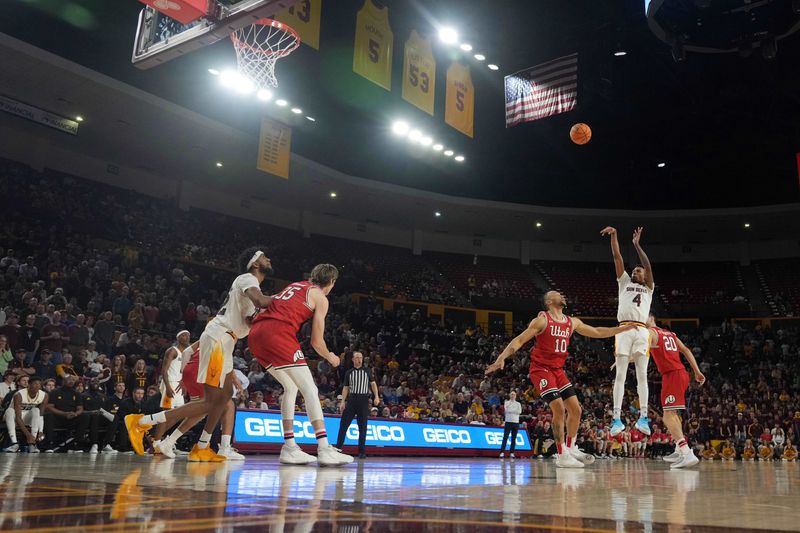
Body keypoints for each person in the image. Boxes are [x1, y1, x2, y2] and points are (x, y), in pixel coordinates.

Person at [126, 247, 275, 462]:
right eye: (264, 256)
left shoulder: (251, 288)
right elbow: (262, 301)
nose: (268, 258)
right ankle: (141, 422)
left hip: (227, 341)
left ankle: (201, 446)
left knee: (224, 399)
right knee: (209, 402)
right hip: (219, 337)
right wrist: (285, 299)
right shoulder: (247, 279)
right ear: (254, 263)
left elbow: (252, 318)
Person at [485, 290, 635, 468]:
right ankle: (562, 453)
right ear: (549, 302)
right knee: (558, 407)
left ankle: (571, 448)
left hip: (558, 370)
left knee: (576, 410)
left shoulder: (572, 322)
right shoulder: (542, 320)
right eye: (557, 294)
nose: (562, 295)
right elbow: (519, 340)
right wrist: (501, 358)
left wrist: (622, 329)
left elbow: (596, 331)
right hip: (541, 370)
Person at [248, 264, 353, 466]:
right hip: (277, 334)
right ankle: (324, 448)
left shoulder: (295, 285)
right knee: (310, 390)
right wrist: (331, 357)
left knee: (291, 387)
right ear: (331, 282)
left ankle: (289, 447)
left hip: (256, 334)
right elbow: (316, 342)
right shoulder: (321, 298)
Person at [601, 226, 654, 437]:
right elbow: (616, 256)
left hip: (642, 330)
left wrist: (636, 245)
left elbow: (648, 265)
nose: (635, 272)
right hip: (624, 328)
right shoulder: (624, 283)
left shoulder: (649, 286)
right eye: (634, 271)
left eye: (638, 271)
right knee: (620, 376)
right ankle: (616, 419)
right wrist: (614, 236)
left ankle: (643, 418)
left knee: (642, 375)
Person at [647, 313, 705, 469]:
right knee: (672, 414)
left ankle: (686, 452)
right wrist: (697, 371)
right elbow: (685, 350)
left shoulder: (651, 332)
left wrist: (622, 359)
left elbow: (641, 353)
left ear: (651, 318)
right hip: (680, 373)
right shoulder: (670, 334)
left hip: (672, 374)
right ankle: (679, 449)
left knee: (667, 415)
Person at [151, 330, 191, 454]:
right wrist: (167, 386)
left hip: (178, 385)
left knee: (179, 414)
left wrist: (184, 383)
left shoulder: (186, 354)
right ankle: (156, 443)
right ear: (178, 338)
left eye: (188, 336)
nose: (187, 337)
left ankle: (156, 437)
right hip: (170, 383)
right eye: (184, 335)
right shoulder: (172, 350)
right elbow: (164, 370)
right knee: (166, 413)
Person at [334, 351, 380, 459]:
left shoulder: (367, 371)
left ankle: (362, 451)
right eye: (357, 357)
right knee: (343, 424)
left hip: (364, 400)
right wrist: (342, 401)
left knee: (363, 427)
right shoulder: (349, 372)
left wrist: (376, 396)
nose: (359, 359)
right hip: (352, 399)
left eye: (361, 357)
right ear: (353, 359)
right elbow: (346, 387)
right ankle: (338, 448)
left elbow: (373, 384)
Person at [3, 375, 47, 452]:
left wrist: (41, 431)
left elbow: (41, 415)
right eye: (35, 383)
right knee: (10, 411)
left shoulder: (44, 395)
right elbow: (18, 417)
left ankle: (32, 444)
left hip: (27, 417)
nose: (37, 386)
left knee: (36, 410)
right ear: (29, 385)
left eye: (39, 384)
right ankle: (14, 443)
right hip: (14, 418)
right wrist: (27, 435)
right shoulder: (19, 394)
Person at [499, 391, 522, 459]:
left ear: (515, 396)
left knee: (513, 438)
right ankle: (502, 452)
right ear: (509, 395)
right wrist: (514, 411)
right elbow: (507, 410)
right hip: (508, 422)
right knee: (505, 437)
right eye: (511, 394)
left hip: (515, 422)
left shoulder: (518, 404)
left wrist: (512, 410)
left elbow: (519, 412)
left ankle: (512, 452)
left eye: (514, 394)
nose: (512, 395)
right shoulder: (506, 402)